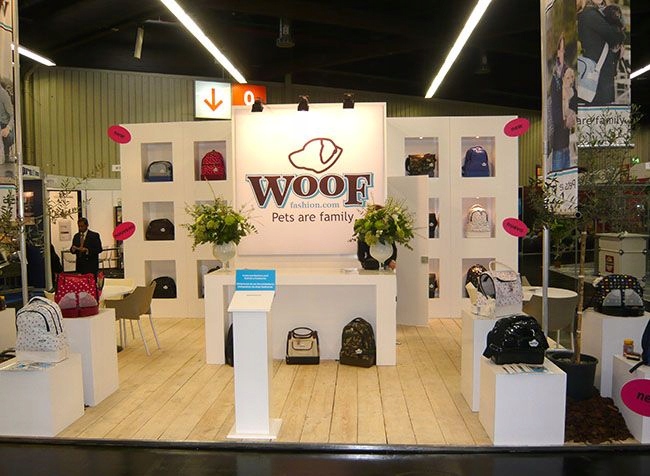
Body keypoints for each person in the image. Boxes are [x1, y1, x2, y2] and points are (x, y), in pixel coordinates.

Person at [577, 0, 626, 106]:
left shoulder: (593, 13)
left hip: (597, 70)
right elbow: (614, 36)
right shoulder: (591, 14)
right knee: (599, 106)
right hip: (598, 74)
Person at [550, 35, 575, 171]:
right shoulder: (556, 80)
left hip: (566, 142)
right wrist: (564, 122)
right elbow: (555, 110)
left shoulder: (567, 74)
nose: (562, 52)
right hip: (559, 143)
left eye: (564, 49)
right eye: (560, 49)